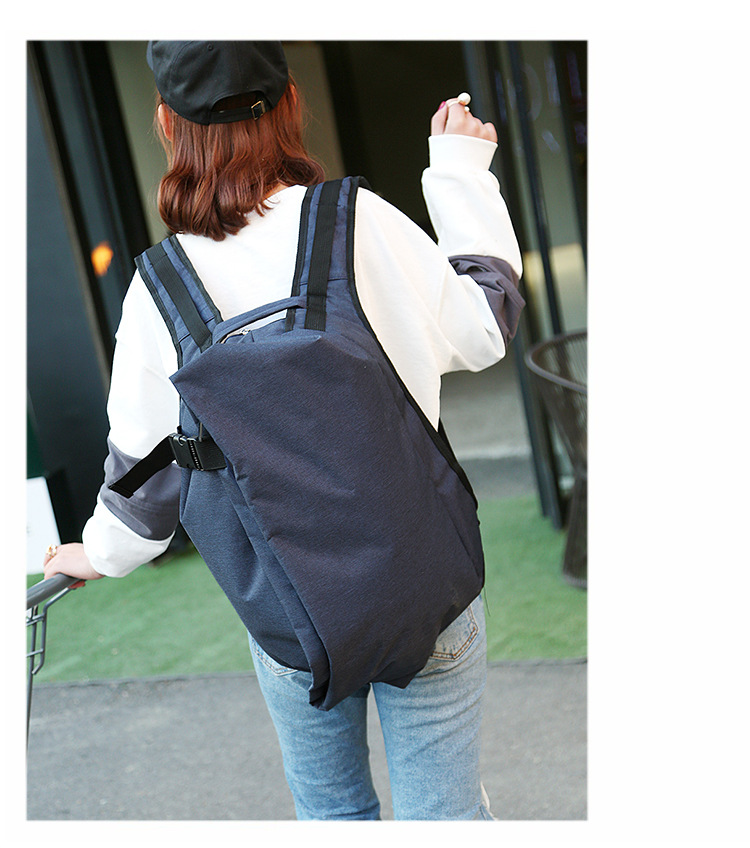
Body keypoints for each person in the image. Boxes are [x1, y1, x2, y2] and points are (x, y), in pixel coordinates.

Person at [43, 41, 524, 820]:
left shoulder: (159, 287)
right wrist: (460, 173)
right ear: (291, 104)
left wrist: (97, 554)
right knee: (446, 818)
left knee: (331, 815)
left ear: (166, 123)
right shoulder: (359, 222)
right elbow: (484, 328)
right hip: (422, 584)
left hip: (291, 611)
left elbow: (147, 478)